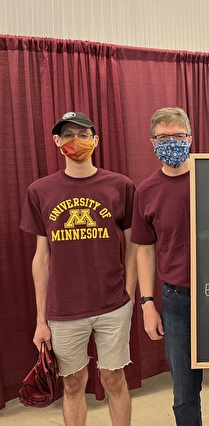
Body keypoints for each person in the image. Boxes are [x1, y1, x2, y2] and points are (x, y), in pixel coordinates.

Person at [130, 107, 209, 426]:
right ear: (152, 142)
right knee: (184, 393)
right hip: (175, 302)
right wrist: (147, 304)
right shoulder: (145, 191)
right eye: (163, 137)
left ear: (191, 139)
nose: (171, 142)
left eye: (178, 136)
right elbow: (144, 250)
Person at [20, 111, 137, 426]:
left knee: (114, 379)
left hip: (113, 306)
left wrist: (128, 293)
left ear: (95, 140)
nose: (76, 140)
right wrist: (40, 319)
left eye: (83, 134)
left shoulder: (121, 185)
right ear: (57, 142)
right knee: (73, 384)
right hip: (64, 310)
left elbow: (134, 246)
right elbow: (41, 257)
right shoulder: (40, 191)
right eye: (68, 134)